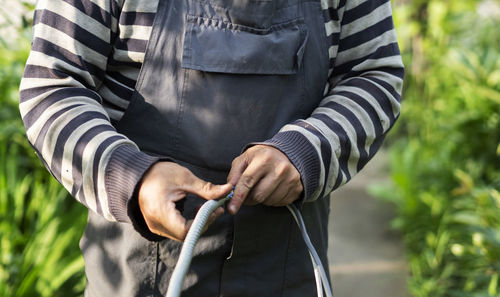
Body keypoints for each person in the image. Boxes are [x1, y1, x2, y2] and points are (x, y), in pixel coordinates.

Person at [19, 0, 404, 295]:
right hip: (139, 275)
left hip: (288, 271)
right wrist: (133, 178)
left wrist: (307, 150)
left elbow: (373, 73)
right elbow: (52, 88)